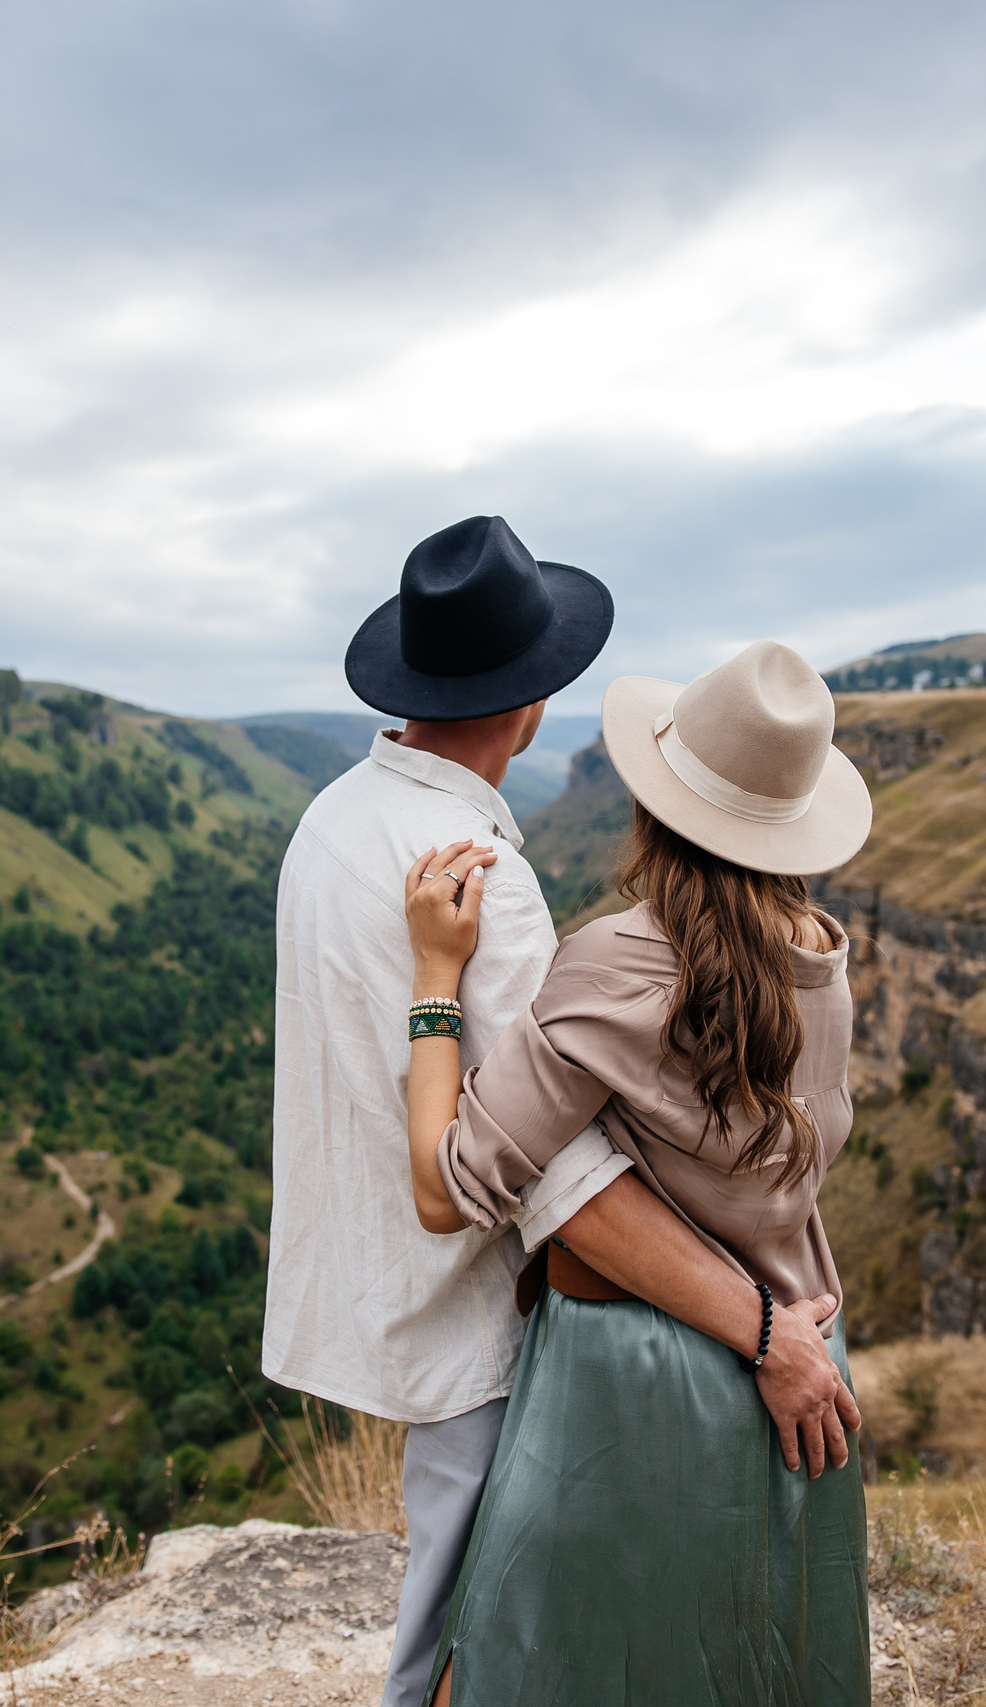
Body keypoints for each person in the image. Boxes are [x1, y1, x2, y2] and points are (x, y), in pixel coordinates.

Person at [262, 519, 861, 1707]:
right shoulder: (809, 959)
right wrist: (768, 1329)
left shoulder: (331, 817)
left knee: (479, 1646)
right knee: (529, 1649)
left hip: (458, 1312)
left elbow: (494, 1149)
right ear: (533, 701)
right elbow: (566, 1176)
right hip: (554, 1331)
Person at [401, 638, 876, 1706]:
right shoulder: (823, 965)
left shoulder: (617, 964)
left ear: (652, 808)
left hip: (637, 1379)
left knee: (533, 1666)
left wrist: (437, 980)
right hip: (803, 1362)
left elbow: (450, 1185)